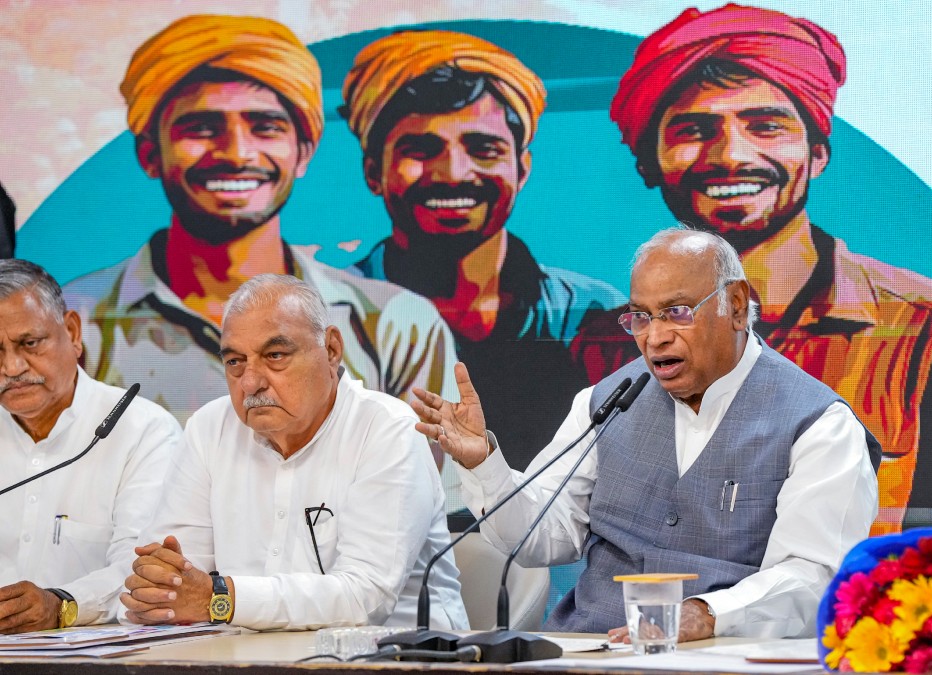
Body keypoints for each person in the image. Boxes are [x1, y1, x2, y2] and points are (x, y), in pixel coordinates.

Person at [574, 3, 932, 532]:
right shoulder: (606, 350)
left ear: (818, 152)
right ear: (648, 161)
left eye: (766, 125)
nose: (730, 156)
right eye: (694, 129)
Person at [414, 228, 879, 640]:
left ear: (736, 306)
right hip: (589, 651)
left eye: (676, 312)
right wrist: (482, 463)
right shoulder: (605, 402)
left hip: (721, 657)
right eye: (640, 316)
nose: (654, 337)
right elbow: (540, 536)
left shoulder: (819, 424)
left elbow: (814, 576)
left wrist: (707, 614)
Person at [62, 15, 458, 424]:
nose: (236, 154)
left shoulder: (395, 326)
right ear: (149, 154)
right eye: (201, 128)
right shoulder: (75, 324)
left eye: (265, 127)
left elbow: (427, 466)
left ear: (303, 153)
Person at [341, 30, 624, 469]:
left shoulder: (594, 317)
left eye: (483, 149)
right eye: (421, 149)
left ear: (522, 169)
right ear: (373, 171)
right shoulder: (330, 319)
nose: (454, 173)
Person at [121, 275, 467, 631]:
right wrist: (157, 590)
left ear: (331, 349)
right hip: (241, 654)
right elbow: (169, 580)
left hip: (397, 655)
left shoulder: (386, 429)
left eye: (275, 356)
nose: (251, 382)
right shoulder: (209, 428)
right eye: (235, 362)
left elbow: (365, 598)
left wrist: (221, 599)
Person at [0, 260, 179, 632]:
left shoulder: (143, 430)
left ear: (72, 332)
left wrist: (62, 605)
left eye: (29, 344)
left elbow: (142, 570)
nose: (12, 367)